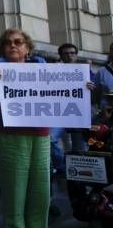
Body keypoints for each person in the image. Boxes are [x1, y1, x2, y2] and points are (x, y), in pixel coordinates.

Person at [0, 28, 60, 228]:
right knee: (14, 194)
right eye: (8, 43)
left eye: (18, 42)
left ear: (28, 48)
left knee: (40, 194)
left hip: (40, 136)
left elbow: (63, 95)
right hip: (8, 136)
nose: (13, 46)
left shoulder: (43, 70)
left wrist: (83, 87)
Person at [50, 42, 91, 176]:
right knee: (50, 139)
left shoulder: (86, 71)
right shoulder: (53, 71)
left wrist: (91, 87)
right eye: (66, 53)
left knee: (80, 147)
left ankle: (80, 173)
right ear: (61, 56)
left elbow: (95, 96)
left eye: (72, 53)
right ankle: (63, 167)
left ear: (76, 55)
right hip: (59, 114)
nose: (69, 56)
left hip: (78, 115)